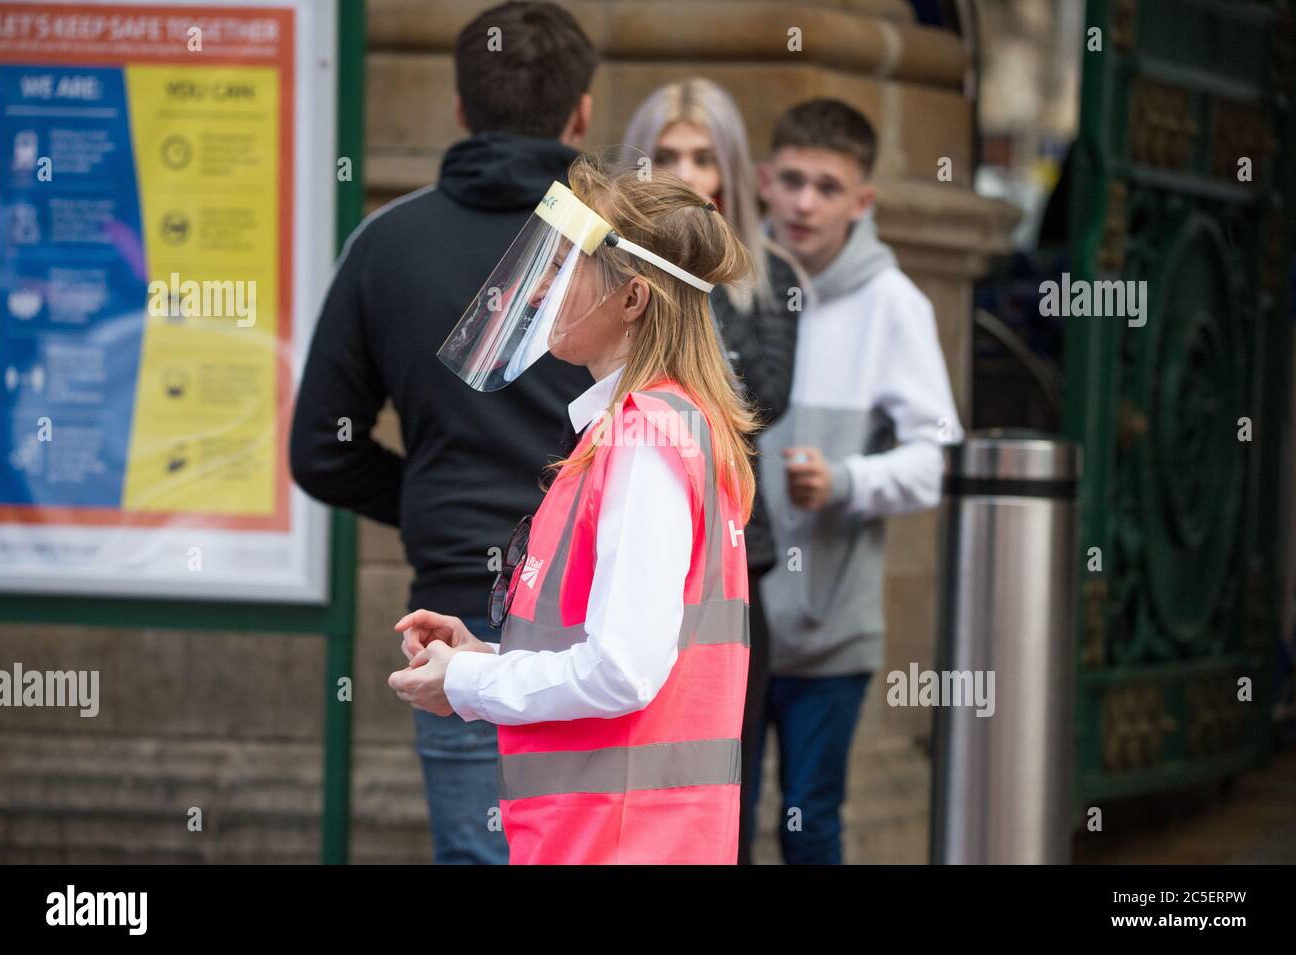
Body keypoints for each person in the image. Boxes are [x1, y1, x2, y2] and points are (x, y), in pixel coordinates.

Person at [288, 1, 598, 865]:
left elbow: (320, 448)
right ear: (582, 112)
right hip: (608, 610)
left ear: (460, 108)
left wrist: (432, 498)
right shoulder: (622, 252)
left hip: (462, 607)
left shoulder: (385, 245)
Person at [388, 155, 757, 864]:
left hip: (615, 842)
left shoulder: (643, 436)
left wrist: (466, 680)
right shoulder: (662, 424)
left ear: (633, 299)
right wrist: (485, 658)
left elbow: (621, 669)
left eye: (567, 266)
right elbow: (628, 652)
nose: (538, 292)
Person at [752, 99, 964, 864]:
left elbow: (935, 458)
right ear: (764, 181)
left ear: (862, 200)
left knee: (810, 822)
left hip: (828, 632)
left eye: (829, 187)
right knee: (717, 827)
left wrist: (845, 479)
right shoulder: (732, 282)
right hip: (729, 623)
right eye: (794, 181)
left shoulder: (893, 305)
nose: (806, 203)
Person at [622, 77, 808, 864]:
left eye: (703, 157)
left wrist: (689, 285)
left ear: (729, 170)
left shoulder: (771, 278)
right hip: (627, 551)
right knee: (632, 779)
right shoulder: (607, 273)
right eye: (667, 155)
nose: (687, 174)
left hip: (731, 565)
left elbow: (757, 400)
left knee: (724, 784)